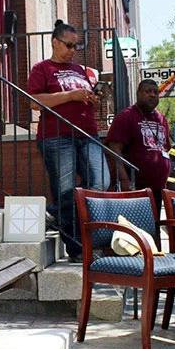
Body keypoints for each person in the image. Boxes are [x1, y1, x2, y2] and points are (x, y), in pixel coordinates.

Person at [29, 20, 109, 262]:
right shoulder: (42, 68)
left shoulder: (79, 70)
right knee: (64, 191)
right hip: (57, 137)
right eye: (69, 45)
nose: (73, 50)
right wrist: (70, 95)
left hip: (87, 135)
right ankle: (76, 248)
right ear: (55, 42)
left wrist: (94, 98)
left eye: (77, 46)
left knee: (101, 182)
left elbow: (88, 102)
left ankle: (55, 213)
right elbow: (33, 101)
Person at [106, 79, 172, 211]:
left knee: (155, 228)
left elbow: (165, 149)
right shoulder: (126, 117)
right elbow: (114, 149)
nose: (152, 95)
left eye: (155, 92)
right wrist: (124, 179)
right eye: (148, 91)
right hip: (135, 187)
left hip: (158, 188)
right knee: (138, 229)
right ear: (138, 94)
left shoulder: (162, 119)